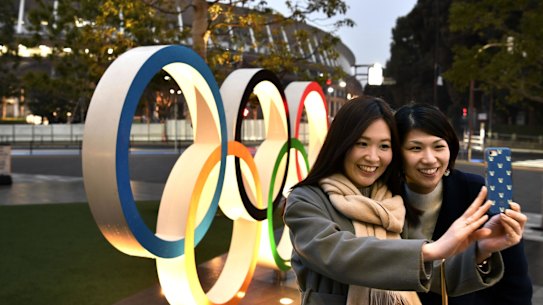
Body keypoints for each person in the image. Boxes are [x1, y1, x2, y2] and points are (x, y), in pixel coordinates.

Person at [283, 96, 525, 305]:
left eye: (384, 146)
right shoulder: (306, 200)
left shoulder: (387, 201)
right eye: (362, 143)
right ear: (341, 144)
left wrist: (483, 248)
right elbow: (337, 253)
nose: (373, 156)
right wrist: (429, 250)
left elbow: (425, 274)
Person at [395, 103, 532, 305]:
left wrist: (482, 254)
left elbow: (515, 285)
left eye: (439, 146)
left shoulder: (480, 194)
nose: (430, 159)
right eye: (415, 148)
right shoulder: (381, 197)